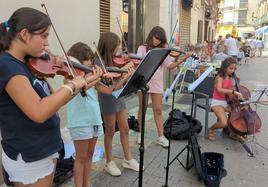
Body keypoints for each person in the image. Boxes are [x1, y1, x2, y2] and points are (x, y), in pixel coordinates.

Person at [0, 7, 102, 186]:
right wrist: (71, 84)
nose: (47, 44)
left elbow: (53, 102)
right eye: (44, 36)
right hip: (29, 155)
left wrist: (84, 80)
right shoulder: (8, 66)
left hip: (42, 150)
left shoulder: (25, 63)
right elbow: (38, 111)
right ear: (24, 34)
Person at [136, 26, 191, 147]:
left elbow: (170, 66)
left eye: (159, 40)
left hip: (157, 83)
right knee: (142, 109)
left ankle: (161, 136)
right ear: (151, 36)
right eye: (155, 38)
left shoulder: (163, 49)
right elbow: (138, 63)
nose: (156, 42)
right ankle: (141, 133)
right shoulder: (142, 48)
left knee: (158, 110)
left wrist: (183, 58)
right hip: (143, 81)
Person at [95, 32, 140, 177]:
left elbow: (120, 82)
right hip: (108, 97)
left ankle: (128, 158)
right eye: (115, 46)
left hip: (119, 95)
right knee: (110, 131)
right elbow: (109, 86)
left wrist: (127, 75)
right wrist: (124, 76)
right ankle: (109, 161)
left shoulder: (116, 60)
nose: (118, 50)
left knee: (125, 128)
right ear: (109, 47)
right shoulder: (98, 62)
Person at [208, 57, 243, 142]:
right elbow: (220, 89)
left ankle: (233, 132)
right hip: (217, 103)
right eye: (231, 68)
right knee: (224, 123)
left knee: (239, 113)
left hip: (226, 102)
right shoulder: (219, 77)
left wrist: (237, 85)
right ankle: (210, 129)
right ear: (224, 67)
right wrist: (234, 92)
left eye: (234, 69)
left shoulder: (231, 78)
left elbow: (229, 92)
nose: (233, 71)